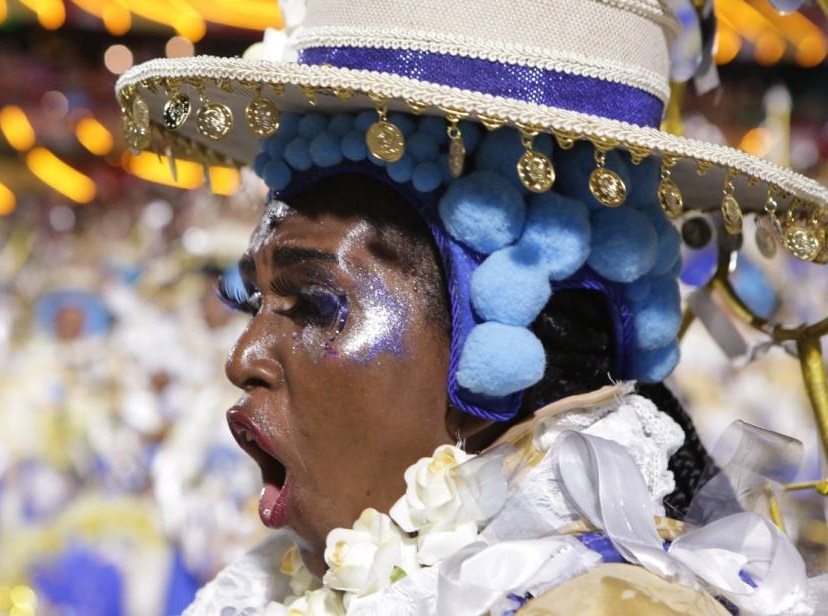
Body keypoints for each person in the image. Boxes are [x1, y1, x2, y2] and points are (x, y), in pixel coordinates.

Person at [115, 0, 828, 613]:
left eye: (312, 304)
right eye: (252, 302)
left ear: (502, 364)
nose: (243, 359)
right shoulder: (283, 582)